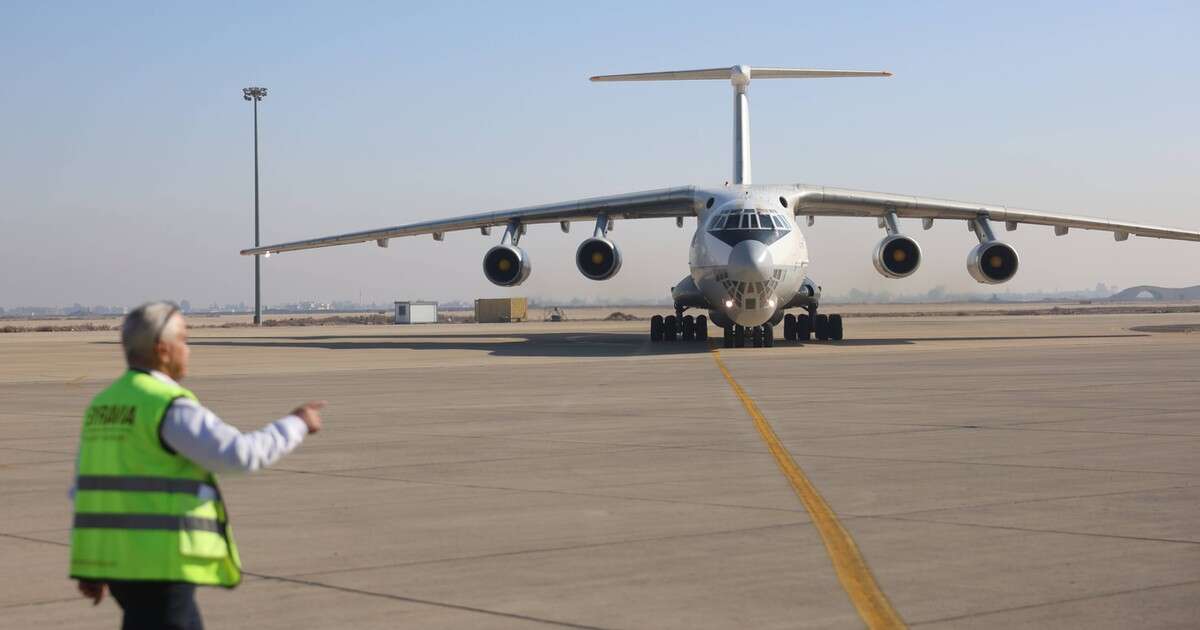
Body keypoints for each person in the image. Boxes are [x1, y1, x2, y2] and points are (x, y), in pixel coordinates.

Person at [69, 301, 326, 629]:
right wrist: (297, 424)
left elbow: (86, 491)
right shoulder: (167, 407)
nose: (188, 351)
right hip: (160, 567)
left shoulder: (103, 406)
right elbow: (239, 454)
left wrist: (93, 566)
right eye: (185, 340)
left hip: (121, 567)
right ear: (163, 349)